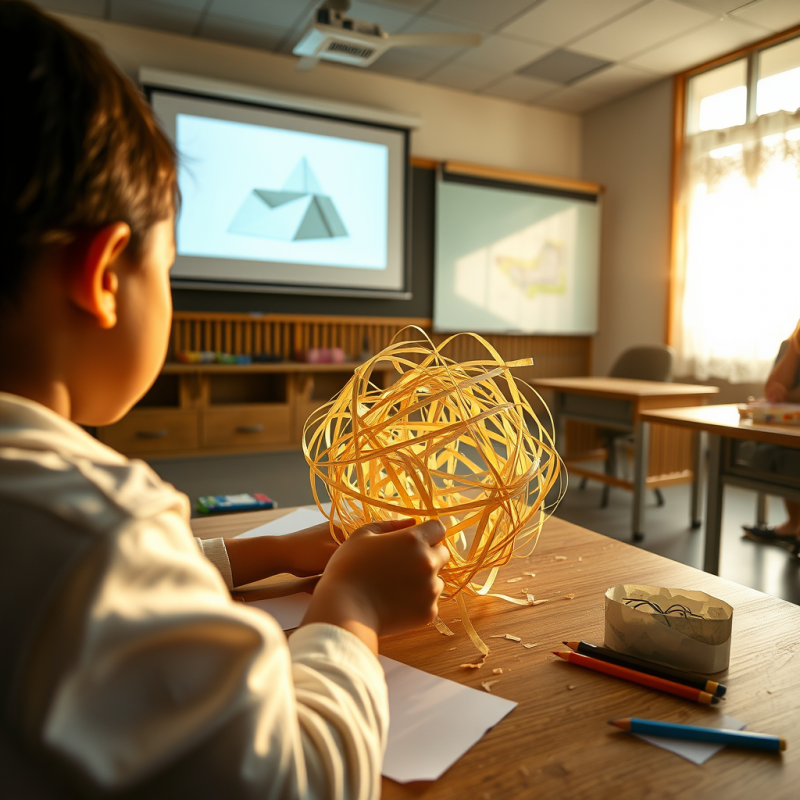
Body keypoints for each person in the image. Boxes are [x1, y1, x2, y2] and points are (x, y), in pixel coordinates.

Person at [0, 3, 449, 797]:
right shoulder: (100, 531)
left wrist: (258, 553)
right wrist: (352, 604)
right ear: (106, 274)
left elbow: (79, 600)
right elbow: (296, 777)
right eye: (168, 265)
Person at [741, 319, 800, 553]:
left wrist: (790, 395)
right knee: (775, 447)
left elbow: (788, 396)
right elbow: (774, 389)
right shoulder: (791, 345)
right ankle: (794, 524)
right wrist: (795, 347)